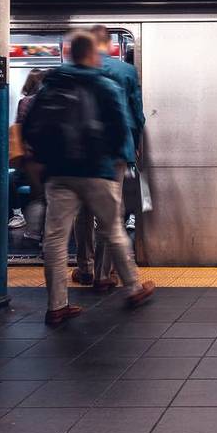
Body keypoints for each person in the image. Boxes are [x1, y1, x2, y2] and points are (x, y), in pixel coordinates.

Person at [23, 30, 154, 325]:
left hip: (59, 173)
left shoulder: (51, 83)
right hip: (97, 170)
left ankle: (57, 305)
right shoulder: (105, 84)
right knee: (113, 227)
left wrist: (46, 160)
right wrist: (115, 157)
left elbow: (30, 125)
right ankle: (131, 287)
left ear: (70, 52)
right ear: (93, 53)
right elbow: (122, 127)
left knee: (56, 238)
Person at [71, 26, 146, 288]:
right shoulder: (124, 71)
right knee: (110, 211)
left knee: (82, 211)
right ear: (110, 44)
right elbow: (137, 114)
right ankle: (104, 274)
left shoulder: (76, 70)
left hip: (82, 151)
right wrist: (134, 146)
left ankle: (85, 268)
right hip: (116, 150)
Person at [15, 68, 47, 243]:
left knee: (38, 195)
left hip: (30, 156)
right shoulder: (47, 101)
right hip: (46, 155)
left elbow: (20, 127)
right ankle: (44, 235)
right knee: (47, 197)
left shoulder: (24, 102)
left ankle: (33, 231)